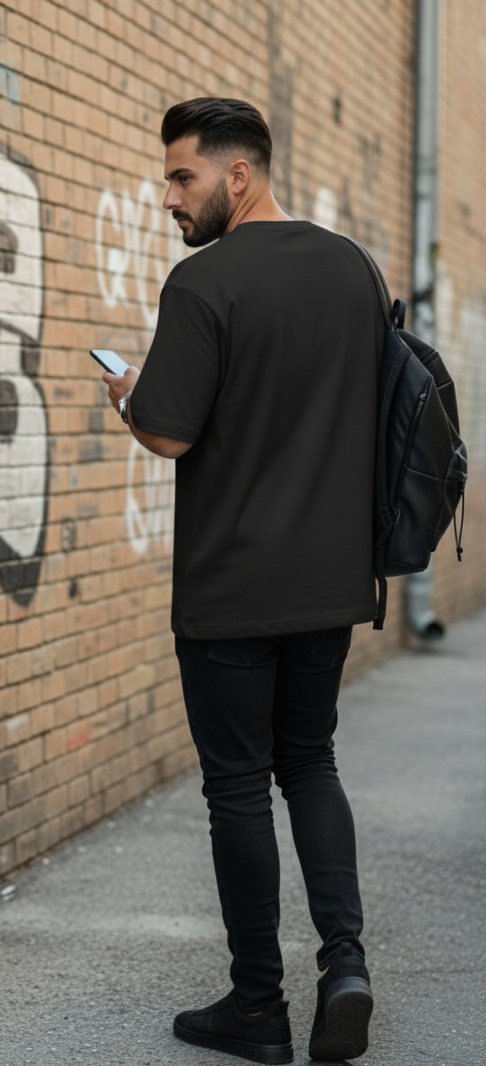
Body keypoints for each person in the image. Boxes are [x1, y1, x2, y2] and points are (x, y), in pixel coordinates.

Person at [102, 96, 383, 1064]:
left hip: (231, 587)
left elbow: (170, 432)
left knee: (237, 789)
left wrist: (129, 398)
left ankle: (257, 1008)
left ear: (238, 174)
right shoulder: (353, 269)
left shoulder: (203, 283)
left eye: (182, 177)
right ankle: (345, 967)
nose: (168, 197)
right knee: (310, 762)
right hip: (330, 581)